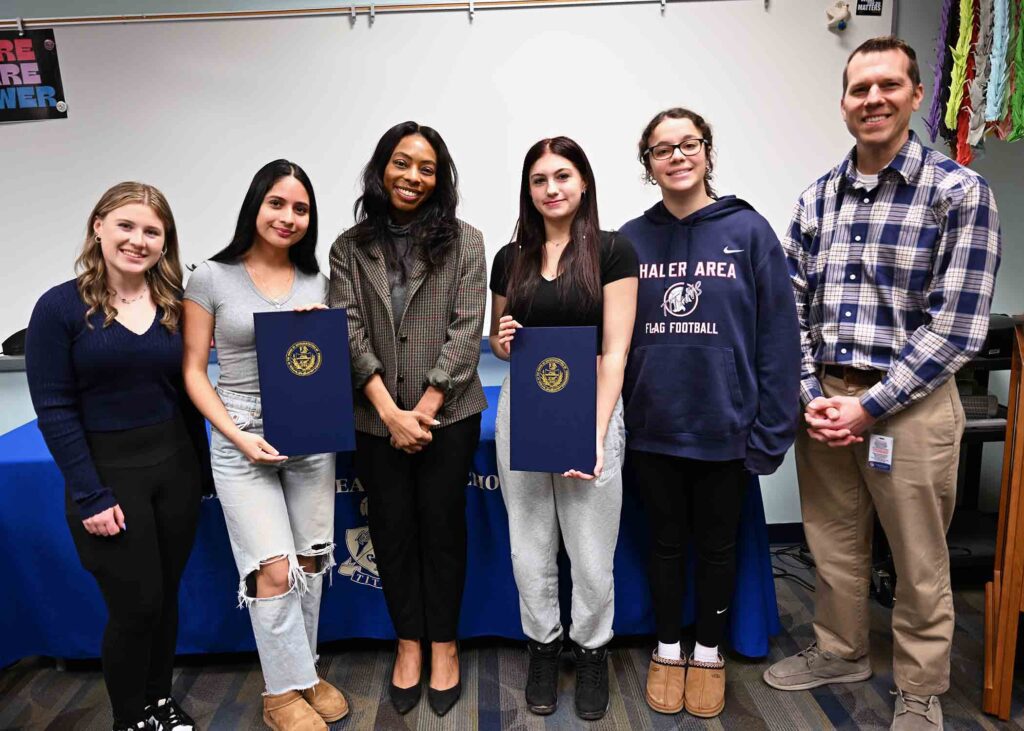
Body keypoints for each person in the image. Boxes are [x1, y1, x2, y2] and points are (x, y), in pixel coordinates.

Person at [763, 36, 1002, 731]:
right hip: (827, 400)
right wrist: (814, 395)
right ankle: (840, 651)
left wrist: (869, 406)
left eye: (888, 85)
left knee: (919, 554)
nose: (872, 99)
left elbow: (956, 327)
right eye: (859, 88)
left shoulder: (959, 193)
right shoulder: (816, 199)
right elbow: (789, 306)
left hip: (912, 406)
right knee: (832, 540)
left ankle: (921, 685)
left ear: (917, 95)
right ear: (843, 102)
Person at [619, 108, 800, 718]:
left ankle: (710, 651)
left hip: (725, 427)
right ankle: (668, 647)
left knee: (719, 548)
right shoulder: (628, 241)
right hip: (653, 426)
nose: (676, 156)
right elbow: (604, 337)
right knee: (664, 544)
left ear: (707, 151)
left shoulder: (749, 232)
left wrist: (773, 432)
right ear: (647, 164)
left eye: (687, 144)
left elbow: (778, 339)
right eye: (661, 149)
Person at [25, 182, 211, 731]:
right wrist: (90, 494)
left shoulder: (176, 306)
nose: (138, 240)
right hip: (108, 480)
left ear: (165, 242)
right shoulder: (59, 308)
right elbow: (54, 408)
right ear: (99, 226)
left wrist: (202, 474)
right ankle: (129, 718)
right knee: (137, 607)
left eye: (152, 231)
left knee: (166, 601)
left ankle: (158, 702)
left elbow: (185, 394)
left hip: (173, 471)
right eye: (125, 225)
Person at [182, 160, 348, 731]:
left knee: (309, 560)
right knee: (272, 569)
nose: (288, 217)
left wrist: (319, 326)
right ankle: (280, 693)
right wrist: (236, 435)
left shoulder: (317, 281)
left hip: (309, 433)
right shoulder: (210, 277)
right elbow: (195, 371)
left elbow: (326, 364)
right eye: (277, 203)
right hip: (241, 432)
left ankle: (305, 673)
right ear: (255, 205)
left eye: (301, 208)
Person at [328, 121, 487, 718]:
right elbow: (346, 327)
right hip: (374, 421)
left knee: (443, 533)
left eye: (426, 168)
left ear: (439, 178)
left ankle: (444, 646)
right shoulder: (349, 246)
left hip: (447, 418)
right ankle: (409, 644)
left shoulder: (466, 242)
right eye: (402, 163)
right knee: (392, 535)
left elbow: (466, 330)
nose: (412, 177)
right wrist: (388, 412)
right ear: (382, 168)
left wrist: (421, 410)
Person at [489, 136, 638, 721]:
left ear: (583, 183)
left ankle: (592, 649)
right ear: (528, 190)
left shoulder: (613, 250)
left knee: (591, 551)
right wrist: (502, 342)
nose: (551, 189)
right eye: (539, 179)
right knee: (529, 548)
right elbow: (505, 345)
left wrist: (596, 435)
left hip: (593, 411)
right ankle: (544, 646)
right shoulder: (510, 257)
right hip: (523, 413)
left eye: (562, 176)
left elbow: (616, 353)